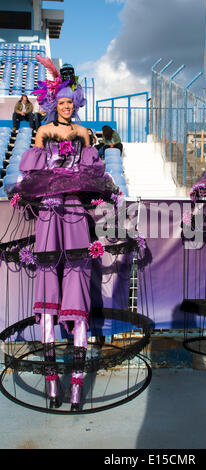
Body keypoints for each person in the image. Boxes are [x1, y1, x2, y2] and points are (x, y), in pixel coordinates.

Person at [7, 56, 118, 411]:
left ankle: (75, 385)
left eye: (72, 102)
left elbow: (91, 172)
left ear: (77, 103)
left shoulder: (85, 135)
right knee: (47, 277)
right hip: (48, 211)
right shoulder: (42, 132)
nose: (67, 107)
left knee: (76, 273)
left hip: (72, 211)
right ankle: (52, 379)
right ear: (54, 103)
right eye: (63, 102)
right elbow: (33, 169)